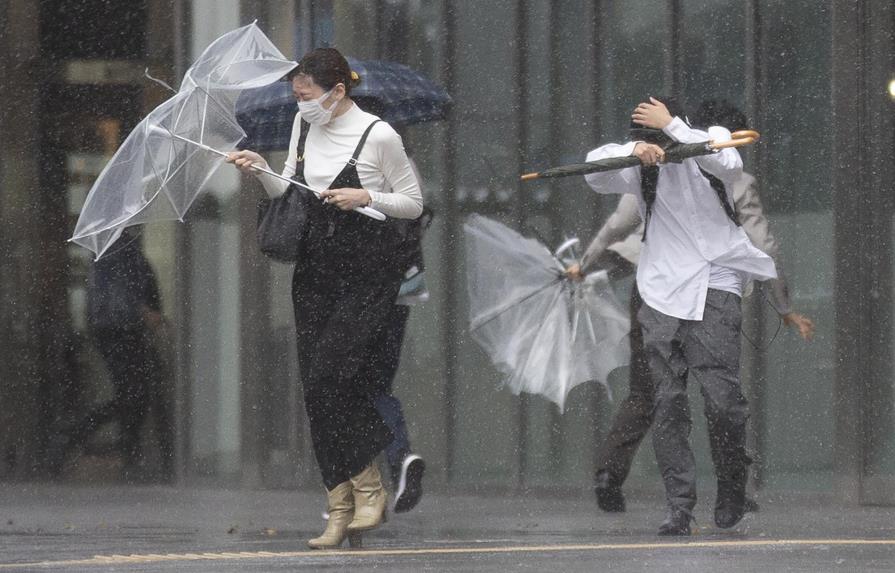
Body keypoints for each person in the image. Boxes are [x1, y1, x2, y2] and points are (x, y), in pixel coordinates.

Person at [569, 99, 815, 517]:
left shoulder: (711, 142)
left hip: (716, 286)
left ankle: (732, 482)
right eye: (643, 138)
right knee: (665, 403)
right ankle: (679, 507)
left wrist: (781, 301)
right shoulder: (640, 167)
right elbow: (597, 170)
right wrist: (634, 153)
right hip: (660, 293)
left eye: (655, 135)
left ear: (675, 126)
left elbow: (729, 164)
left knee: (722, 399)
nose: (650, 145)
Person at [227, 47, 423, 549]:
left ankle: (368, 484)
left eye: (307, 94)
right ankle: (339, 505)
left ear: (338, 91)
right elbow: (290, 192)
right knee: (316, 393)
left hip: (368, 273)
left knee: (330, 377)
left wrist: (366, 196)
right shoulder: (302, 126)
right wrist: (260, 169)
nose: (301, 103)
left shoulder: (379, 135)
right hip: (315, 270)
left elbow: (414, 202)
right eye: (296, 95)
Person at [53, 229, 169, 481]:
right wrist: (142, 312)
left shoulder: (117, 250)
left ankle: (117, 449)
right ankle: (86, 435)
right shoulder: (117, 251)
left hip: (120, 332)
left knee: (134, 396)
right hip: (122, 333)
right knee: (134, 396)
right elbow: (119, 296)